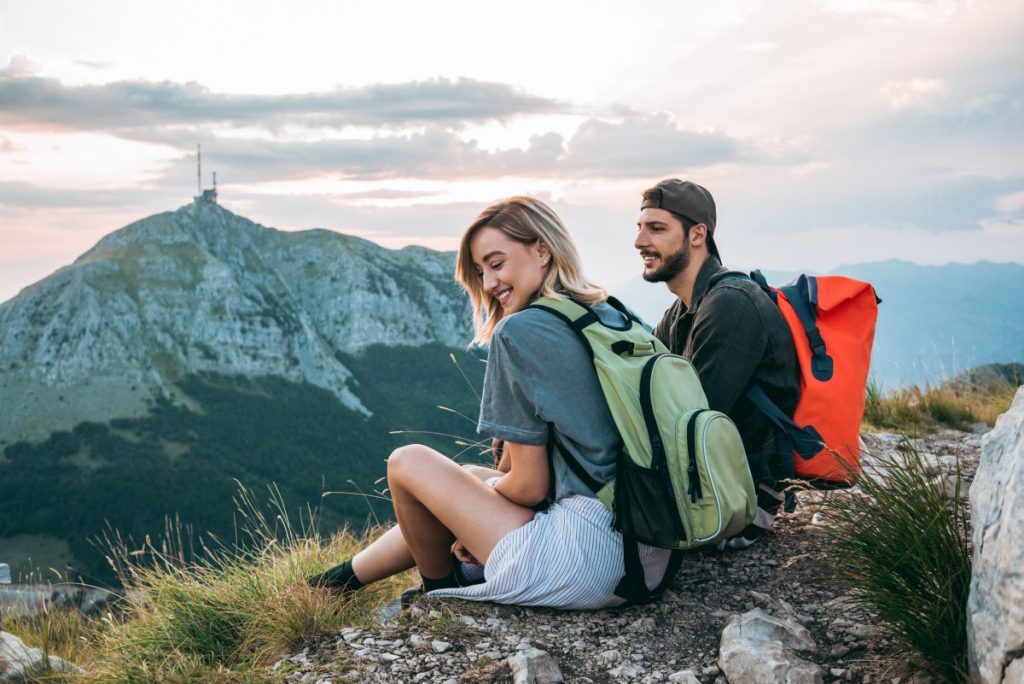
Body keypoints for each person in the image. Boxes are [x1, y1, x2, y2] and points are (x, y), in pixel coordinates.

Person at [309, 196, 670, 609]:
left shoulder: (519, 331)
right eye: (480, 272)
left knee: (407, 462)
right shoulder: (611, 314)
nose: (489, 284)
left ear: (542, 248)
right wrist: (480, 493)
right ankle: (332, 584)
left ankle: (438, 595)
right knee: (467, 476)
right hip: (648, 553)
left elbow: (530, 488)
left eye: (497, 264)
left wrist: (476, 509)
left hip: (590, 560)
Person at [634, 179, 800, 549]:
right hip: (711, 485)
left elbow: (690, 421)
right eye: (640, 228)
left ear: (697, 235)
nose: (640, 241)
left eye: (657, 229)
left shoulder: (731, 305)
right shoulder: (683, 310)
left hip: (736, 503)